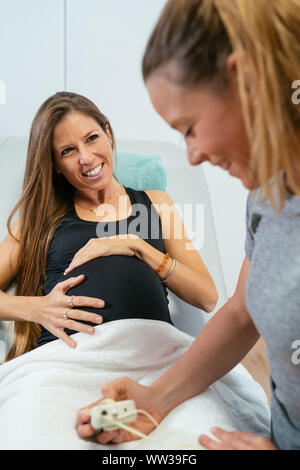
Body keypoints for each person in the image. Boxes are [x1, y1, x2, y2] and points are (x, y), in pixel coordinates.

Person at [76, 0, 300, 450]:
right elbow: (240, 311)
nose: (191, 154)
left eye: (190, 127)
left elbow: (207, 294)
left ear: (246, 81)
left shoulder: (155, 204)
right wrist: (155, 399)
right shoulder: (267, 192)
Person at [0, 90, 218, 360]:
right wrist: (37, 308)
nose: (86, 158)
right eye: (68, 151)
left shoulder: (156, 204)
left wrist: (138, 246)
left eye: (92, 138)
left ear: (108, 134)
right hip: (67, 360)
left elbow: (207, 297)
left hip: (153, 356)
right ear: (55, 164)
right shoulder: (40, 219)